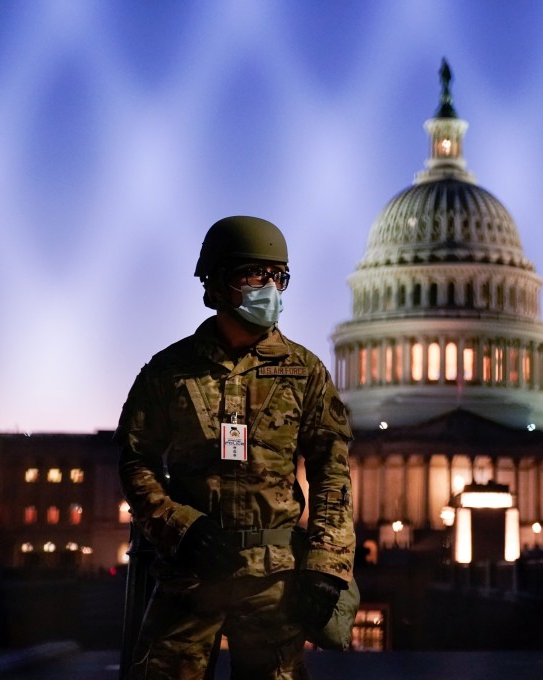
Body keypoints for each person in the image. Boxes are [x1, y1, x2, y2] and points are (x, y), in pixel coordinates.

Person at [116, 216, 356, 679]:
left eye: (277, 277)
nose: (268, 287)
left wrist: (328, 563)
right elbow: (135, 459)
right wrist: (179, 528)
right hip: (190, 572)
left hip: (274, 579)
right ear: (216, 283)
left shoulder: (305, 372)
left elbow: (333, 470)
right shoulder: (168, 372)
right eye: (252, 275)